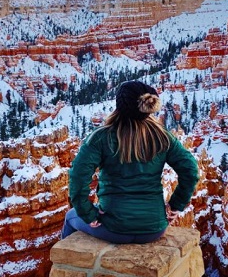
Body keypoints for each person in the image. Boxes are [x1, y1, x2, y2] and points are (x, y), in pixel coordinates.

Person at [61, 80, 199, 244]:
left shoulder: (101, 137)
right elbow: (190, 169)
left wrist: (88, 214)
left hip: (113, 226)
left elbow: (78, 176)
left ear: (120, 105)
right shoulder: (162, 136)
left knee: (70, 217)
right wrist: (176, 204)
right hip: (154, 228)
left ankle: (69, 265)